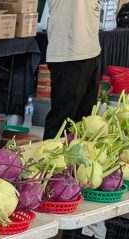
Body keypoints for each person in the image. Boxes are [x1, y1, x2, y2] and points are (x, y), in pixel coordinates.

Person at [43, 0, 103, 139]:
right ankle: (49, 158)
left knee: (85, 121)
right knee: (62, 120)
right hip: (69, 53)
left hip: (91, 49)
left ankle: (75, 159)